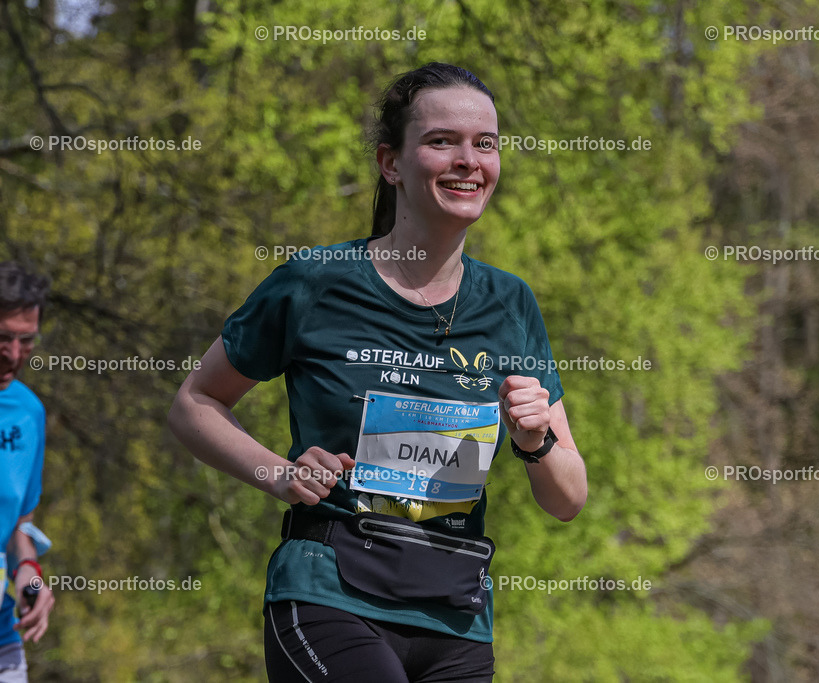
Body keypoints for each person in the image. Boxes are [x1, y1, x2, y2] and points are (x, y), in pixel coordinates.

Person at [169, 62, 587, 682]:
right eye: (442, 141)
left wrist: (535, 441)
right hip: (329, 593)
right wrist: (279, 475)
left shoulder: (510, 304)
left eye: (486, 144)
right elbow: (195, 402)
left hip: (454, 615)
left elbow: (568, 497)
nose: (469, 160)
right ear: (391, 163)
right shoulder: (316, 282)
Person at [0, 263, 55, 682]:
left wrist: (29, 575)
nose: (14, 355)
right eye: (2, 338)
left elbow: (19, 528)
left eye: (26, 341)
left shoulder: (29, 412)